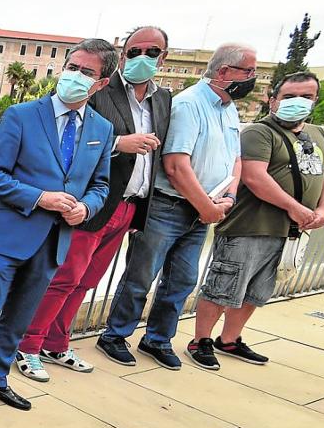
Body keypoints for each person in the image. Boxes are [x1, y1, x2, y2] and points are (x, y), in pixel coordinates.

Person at [0, 39, 115, 420]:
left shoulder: (103, 129)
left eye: (86, 72)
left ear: (101, 83)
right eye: (73, 66)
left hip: (54, 241)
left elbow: (102, 186)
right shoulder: (21, 115)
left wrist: (85, 208)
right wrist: (41, 198)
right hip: (6, 238)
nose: (75, 75)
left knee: (19, 318)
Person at [16, 27, 172, 379]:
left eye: (152, 51)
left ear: (163, 57)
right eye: (134, 51)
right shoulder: (100, 90)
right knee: (65, 278)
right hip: (91, 204)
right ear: (122, 56)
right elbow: (79, 136)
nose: (142, 58)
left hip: (130, 205)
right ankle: (28, 345)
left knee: (87, 280)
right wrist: (120, 143)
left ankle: (57, 341)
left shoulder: (163, 99)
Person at [98, 43, 254, 371]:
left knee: (182, 280)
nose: (253, 78)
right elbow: (175, 165)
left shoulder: (228, 109)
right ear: (224, 72)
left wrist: (228, 198)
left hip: (204, 210)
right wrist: (206, 206)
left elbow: (235, 158)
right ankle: (115, 334)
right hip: (169, 206)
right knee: (142, 274)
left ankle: (158, 338)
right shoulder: (188, 105)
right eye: (248, 72)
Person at [188, 72, 324, 368]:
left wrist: (323, 210)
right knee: (224, 285)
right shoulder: (259, 133)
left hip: (289, 231)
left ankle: (230, 338)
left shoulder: (318, 134)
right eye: (290, 96)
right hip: (249, 226)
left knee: (258, 290)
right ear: (274, 101)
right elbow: (256, 177)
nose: (298, 102)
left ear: (315, 100)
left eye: (306, 97)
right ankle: (201, 339)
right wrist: (295, 207)